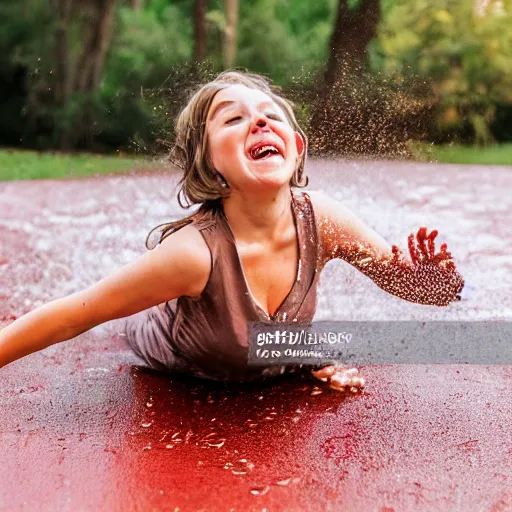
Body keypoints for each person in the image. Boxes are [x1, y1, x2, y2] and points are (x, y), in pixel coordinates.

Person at [0, 71, 465, 393]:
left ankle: (305, 352)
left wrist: (437, 282)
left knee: (301, 342)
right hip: (186, 356)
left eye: (270, 115)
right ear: (209, 161)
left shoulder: (322, 219)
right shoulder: (192, 256)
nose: (259, 120)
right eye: (233, 118)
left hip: (267, 345)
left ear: (297, 147)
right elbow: (75, 313)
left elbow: (424, 291)